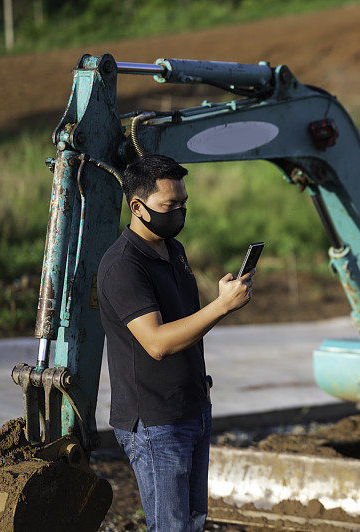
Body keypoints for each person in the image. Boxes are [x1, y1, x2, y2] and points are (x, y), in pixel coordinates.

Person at [97, 154, 254, 531]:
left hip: (193, 408)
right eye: (171, 205)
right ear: (137, 206)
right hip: (156, 421)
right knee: (171, 527)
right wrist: (222, 306)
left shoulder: (173, 249)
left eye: (184, 203)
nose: (180, 212)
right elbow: (156, 343)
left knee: (193, 521)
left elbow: (184, 322)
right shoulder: (123, 267)